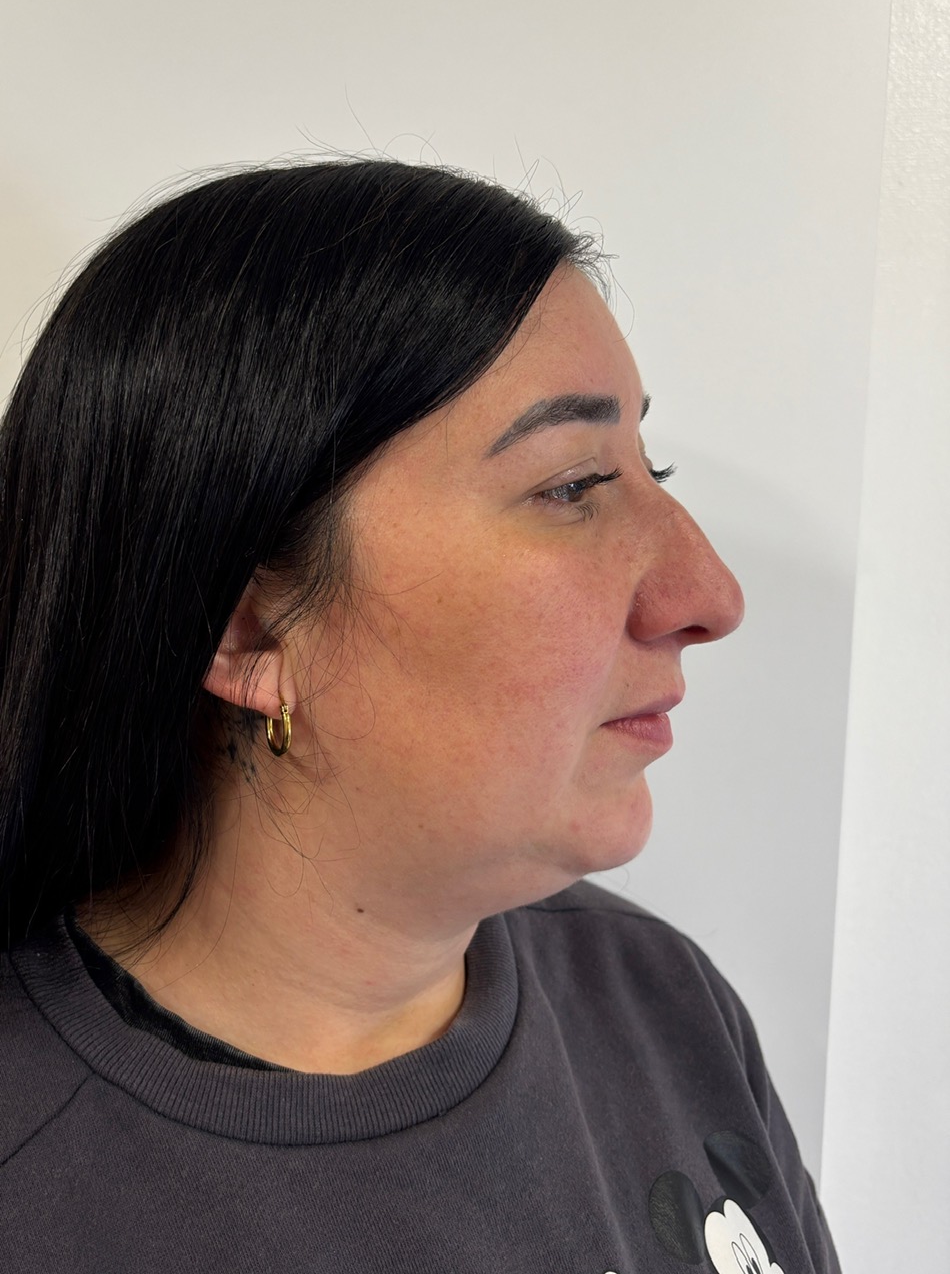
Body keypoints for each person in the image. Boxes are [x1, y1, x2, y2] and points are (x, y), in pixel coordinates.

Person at [0, 159, 839, 1273]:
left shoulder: (661, 1007)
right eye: (572, 486)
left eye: (653, 465)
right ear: (248, 629)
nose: (709, 596)